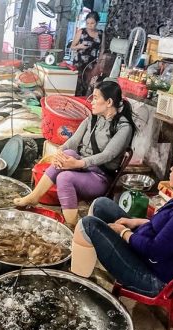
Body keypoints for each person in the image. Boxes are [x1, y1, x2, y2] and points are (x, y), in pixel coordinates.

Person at [71, 146, 173, 297]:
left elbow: (155, 251)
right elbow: (164, 227)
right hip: (144, 252)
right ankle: (93, 259)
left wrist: (123, 233)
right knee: (101, 204)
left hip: (153, 278)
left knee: (88, 225)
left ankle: (77, 288)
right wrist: (136, 222)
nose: (172, 168)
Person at [14, 80, 135, 227]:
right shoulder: (93, 118)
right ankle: (34, 197)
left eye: (96, 98)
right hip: (83, 167)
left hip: (100, 176)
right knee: (69, 152)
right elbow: (73, 141)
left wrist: (78, 163)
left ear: (109, 102)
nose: (92, 102)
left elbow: (107, 155)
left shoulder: (123, 127)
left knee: (65, 177)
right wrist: (60, 151)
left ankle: (72, 224)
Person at [71, 11, 101, 96]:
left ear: (97, 22)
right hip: (79, 63)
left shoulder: (101, 34)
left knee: (89, 85)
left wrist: (99, 64)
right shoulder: (81, 32)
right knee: (77, 85)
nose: (89, 25)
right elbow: (72, 46)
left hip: (92, 64)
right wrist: (79, 46)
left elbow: (102, 50)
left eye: (92, 23)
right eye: (87, 23)